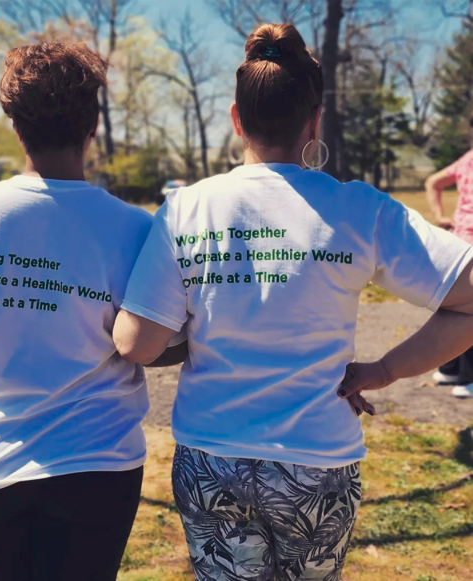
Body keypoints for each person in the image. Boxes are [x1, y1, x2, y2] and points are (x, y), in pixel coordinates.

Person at [112, 23, 473, 581]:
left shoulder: (188, 208)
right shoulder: (359, 210)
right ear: (314, 120)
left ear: (237, 118)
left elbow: (138, 344)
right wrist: (384, 369)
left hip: (212, 456)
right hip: (318, 459)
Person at [0, 43, 183, 581]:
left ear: (13, 122)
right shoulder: (136, 229)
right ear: (93, 124)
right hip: (98, 464)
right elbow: (161, 346)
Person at [425, 145, 473, 397]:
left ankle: (449, 369)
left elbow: (433, 182)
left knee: (457, 306)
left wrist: (440, 215)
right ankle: (467, 380)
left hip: (461, 243)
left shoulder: (468, 158)